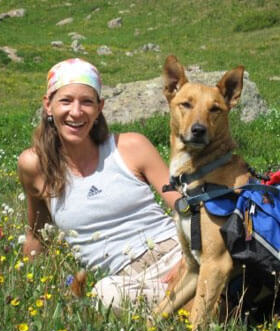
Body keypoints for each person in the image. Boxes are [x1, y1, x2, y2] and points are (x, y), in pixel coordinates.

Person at [18, 58, 182, 313]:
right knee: (105, 295)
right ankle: (204, 300)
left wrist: (189, 263)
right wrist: (23, 292)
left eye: (86, 101)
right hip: (126, 281)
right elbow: (37, 234)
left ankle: (196, 295)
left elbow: (185, 207)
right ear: (48, 105)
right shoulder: (34, 166)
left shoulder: (131, 146)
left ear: (99, 108)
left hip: (178, 253)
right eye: (66, 100)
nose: (76, 111)